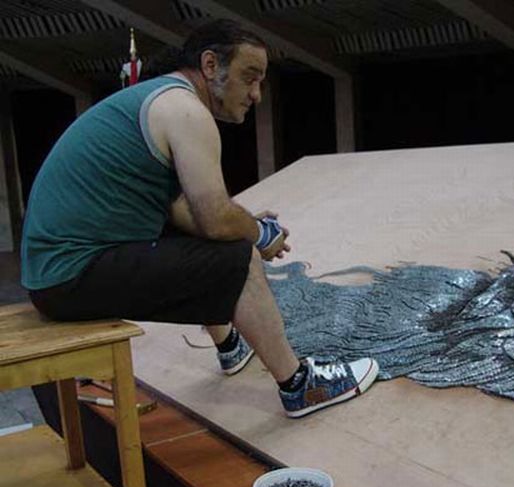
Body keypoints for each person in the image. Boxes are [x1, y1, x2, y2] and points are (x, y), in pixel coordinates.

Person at [20, 19, 379, 418]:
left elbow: (181, 211)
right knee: (239, 256)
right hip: (69, 277)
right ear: (210, 65)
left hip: (53, 275)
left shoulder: (157, 100)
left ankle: (230, 346)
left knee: (217, 242)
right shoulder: (186, 110)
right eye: (249, 77)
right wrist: (259, 234)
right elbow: (214, 218)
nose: (256, 94)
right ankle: (300, 386)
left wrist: (242, 225)